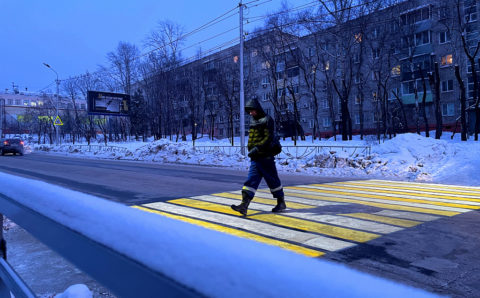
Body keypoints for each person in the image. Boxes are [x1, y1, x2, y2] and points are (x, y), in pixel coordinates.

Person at [231, 97, 286, 216]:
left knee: (273, 181)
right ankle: (244, 206)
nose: (250, 113)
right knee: (251, 181)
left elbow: (268, 138)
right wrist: (251, 149)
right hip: (256, 158)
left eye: (252, 111)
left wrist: (257, 148)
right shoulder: (253, 120)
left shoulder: (267, 119)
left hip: (266, 157)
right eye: (249, 111)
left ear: (257, 109)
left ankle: (281, 202)